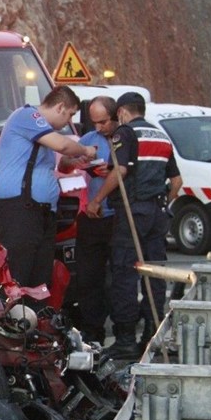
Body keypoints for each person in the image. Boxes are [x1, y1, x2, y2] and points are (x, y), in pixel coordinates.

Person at [87, 91, 183, 360]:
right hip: (157, 212)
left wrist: (97, 199)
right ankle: (153, 334)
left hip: (132, 211)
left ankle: (126, 339)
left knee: (124, 273)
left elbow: (122, 170)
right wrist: (161, 200)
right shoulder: (161, 136)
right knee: (154, 271)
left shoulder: (125, 133)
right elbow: (176, 182)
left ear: (121, 113)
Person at [0, 85, 97, 290]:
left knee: (40, 277)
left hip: (40, 212)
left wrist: (69, 162)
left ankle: (36, 318)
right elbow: (63, 145)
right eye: (70, 115)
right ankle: (12, 318)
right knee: (18, 274)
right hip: (19, 210)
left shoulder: (41, 134)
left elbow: (56, 165)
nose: (69, 122)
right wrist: (85, 149)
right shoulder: (27, 116)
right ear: (60, 107)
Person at [72, 96, 123, 344]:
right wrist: (82, 161)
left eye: (103, 122)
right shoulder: (89, 139)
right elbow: (64, 162)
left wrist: (112, 171)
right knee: (88, 277)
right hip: (90, 218)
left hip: (115, 217)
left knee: (117, 278)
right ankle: (92, 332)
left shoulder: (124, 138)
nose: (99, 128)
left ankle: (123, 331)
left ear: (116, 116)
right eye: (94, 123)